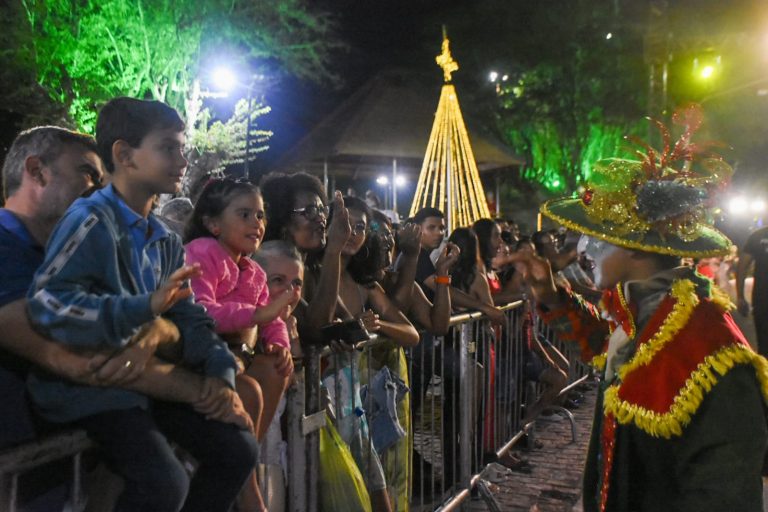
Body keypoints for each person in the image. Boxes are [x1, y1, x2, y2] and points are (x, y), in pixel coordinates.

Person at [511, 109, 768, 512]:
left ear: (634, 247)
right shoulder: (647, 314)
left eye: (598, 237)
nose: (582, 249)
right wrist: (551, 294)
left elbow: (724, 494)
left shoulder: (712, 350)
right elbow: (608, 347)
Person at [25, 98, 258, 512]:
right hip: (91, 390)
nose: (182, 161)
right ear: (124, 155)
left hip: (143, 386)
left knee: (238, 450)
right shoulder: (90, 221)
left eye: (182, 148)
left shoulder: (164, 240)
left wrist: (220, 374)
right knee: (164, 483)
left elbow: (191, 319)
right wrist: (143, 308)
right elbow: (48, 302)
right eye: (168, 148)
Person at [184, 178, 299, 511]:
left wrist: (280, 345)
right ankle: (247, 488)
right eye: (245, 215)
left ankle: (240, 468)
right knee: (249, 392)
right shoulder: (202, 252)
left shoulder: (254, 271)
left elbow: (272, 319)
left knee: (275, 368)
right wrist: (255, 315)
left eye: (260, 216)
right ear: (213, 223)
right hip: (199, 355)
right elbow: (201, 311)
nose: (256, 224)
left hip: (236, 357)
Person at [736, 225, 768, 357]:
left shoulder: (758, 235)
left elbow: (742, 267)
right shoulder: (758, 236)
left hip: (762, 299)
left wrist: (740, 296)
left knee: (765, 346)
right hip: (763, 300)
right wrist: (740, 296)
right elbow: (742, 267)